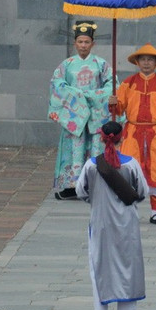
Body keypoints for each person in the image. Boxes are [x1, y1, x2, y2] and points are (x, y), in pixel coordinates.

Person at [76, 121, 150, 310]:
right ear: (122, 138)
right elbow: (142, 192)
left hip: (100, 224)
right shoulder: (131, 164)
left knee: (99, 267)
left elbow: (81, 191)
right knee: (127, 268)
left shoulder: (91, 165)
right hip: (127, 225)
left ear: (101, 138)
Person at [110, 44, 156, 225]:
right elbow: (120, 108)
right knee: (130, 167)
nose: (146, 63)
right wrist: (114, 103)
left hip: (155, 132)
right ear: (137, 62)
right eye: (143, 59)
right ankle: (131, 209)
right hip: (133, 131)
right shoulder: (128, 83)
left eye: (150, 60)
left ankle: (155, 211)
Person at [48, 21, 115, 200]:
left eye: (86, 42)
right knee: (72, 150)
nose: (83, 45)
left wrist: (93, 95)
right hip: (75, 116)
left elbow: (113, 85)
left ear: (93, 44)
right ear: (75, 43)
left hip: (95, 116)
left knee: (95, 149)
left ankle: (94, 186)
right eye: (80, 42)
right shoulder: (67, 65)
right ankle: (71, 186)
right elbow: (57, 85)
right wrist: (77, 95)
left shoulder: (101, 64)